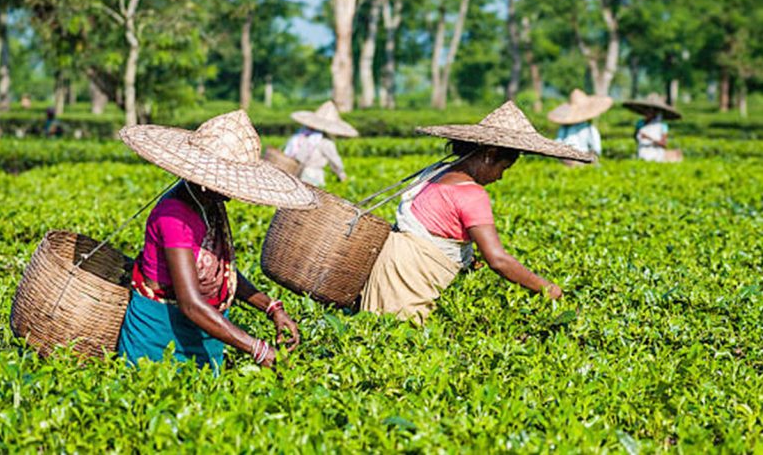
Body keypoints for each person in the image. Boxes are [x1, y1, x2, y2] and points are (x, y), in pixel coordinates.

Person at [117, 110, 317, 371]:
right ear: (203, 179)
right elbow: (190, 304)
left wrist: (272, 308)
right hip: (159, 342)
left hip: (203, 334)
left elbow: (223, 270)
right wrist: (257, 348)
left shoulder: (207, 204)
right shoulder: (175, 216)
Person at [360, 101, 594, 324]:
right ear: (489, 155)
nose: (500, 176)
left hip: (389, 270)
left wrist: (466, 257)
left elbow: (437, 229)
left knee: (380, 331)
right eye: (503, 168)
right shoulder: (472, 194)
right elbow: (498, 260)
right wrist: (548, 289)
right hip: (409, 282)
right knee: (402, 337)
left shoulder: (438, 172)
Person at [284, 101, 359, 187]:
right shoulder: (325, 142)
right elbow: (335, 161)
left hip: (297, 172)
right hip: (314, 175)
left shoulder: (302, 136)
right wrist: (342, 175)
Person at [548, 88, 612, 166]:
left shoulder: (589, 128)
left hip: (584, 161)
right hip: (566, 162)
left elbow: (596, 149)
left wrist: (587, 159)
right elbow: (557, 144)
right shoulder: (565, 128)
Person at [623, 93, 683, 162]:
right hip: (642, 153)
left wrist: (649, 138)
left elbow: (664, 144)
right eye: (646, 110)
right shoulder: (640, 123)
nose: (648, 112)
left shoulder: (662, 126)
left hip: (657, 155)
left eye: (651, 111)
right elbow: (636, 137)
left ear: (656, 113)